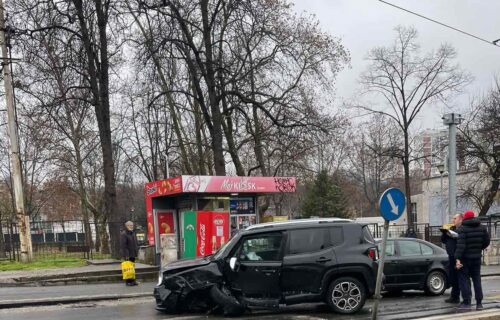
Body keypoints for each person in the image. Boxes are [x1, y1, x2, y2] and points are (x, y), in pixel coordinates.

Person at [455, 210, 490, 310]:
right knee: (477, 280)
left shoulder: (462, 229)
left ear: (465, 218)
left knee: (464, 280)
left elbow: (460, 246)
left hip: (465, 259)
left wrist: (457, 258)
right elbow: (487, 241)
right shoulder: (482, 228)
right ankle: (479, 304)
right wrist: (479, 248)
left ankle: (466, 302)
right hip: (477, 258)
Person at [440, 213, 463, 303]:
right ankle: (454, 296)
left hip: (459, 257)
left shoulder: (462, 229)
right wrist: (445, 233)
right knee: (452, 277)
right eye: (453, 218)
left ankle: (465, 297)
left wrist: (454, 235)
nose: (453, 220)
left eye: (455, 218)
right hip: (451, 256)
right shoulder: (452, 228)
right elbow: (443, 240)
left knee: (461, 278)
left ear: (460, 219)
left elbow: (461, 241)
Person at [120, 221, 139, 286]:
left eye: (132, 225)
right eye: (130, 225)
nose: (132, 226)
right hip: (128, 254)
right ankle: (128, 282)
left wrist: (136, 251)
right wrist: (126, 255)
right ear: (127, 226)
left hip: (133, 253)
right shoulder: (124, 234)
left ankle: (133, 281)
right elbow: (123, 246)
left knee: (132, 268)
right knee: (128, 268)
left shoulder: (132, 233)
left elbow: (134, 243)